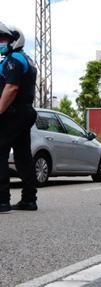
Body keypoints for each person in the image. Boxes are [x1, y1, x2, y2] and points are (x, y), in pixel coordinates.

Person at [0, 23, 38, 213]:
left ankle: (2, 200)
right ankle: (29, 199)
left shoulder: (13, 59)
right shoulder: (28, 59)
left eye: (3, 39)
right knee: (23, 157)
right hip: (25, 112)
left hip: (12, 113)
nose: (0, 43)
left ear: (15, 40)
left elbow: (11, 87)